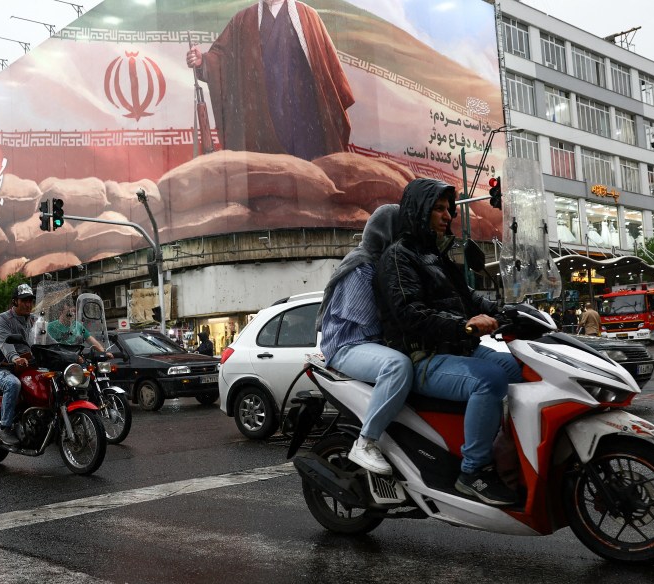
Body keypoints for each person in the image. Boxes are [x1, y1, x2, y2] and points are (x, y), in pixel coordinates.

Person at [375, 179, 524, 506]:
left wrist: (509, 311)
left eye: (449, 209)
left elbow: (468, 298)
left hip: (459, 350)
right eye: (439, 209)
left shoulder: (437, 254)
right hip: (423, 358)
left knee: (520, 370)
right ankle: (473, 472)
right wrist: (464, 326)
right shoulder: (398, 258)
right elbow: (410, 312)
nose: (447, 216)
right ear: (419, 211)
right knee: (490, 380)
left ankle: (514, 450)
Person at [185, 0, 354, 161]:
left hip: (304, 117)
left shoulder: (308, 16)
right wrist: (202, 62)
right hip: (261, 117)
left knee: (309, 169)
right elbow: (221, 58)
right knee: (268, 170)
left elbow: (328, 68)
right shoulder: (243, 20)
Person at [318, 203, 412, 475]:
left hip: (366, 342)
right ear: (387, 232)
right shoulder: (362, 266)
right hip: (348, 345)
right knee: (397, 366)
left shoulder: (383, 263)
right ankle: (366, 441)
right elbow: (369, 321)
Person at [0, 284, 38, 446]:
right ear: (15, 301)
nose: (28, 304)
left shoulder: (35, 320)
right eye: (24, 301)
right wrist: (15, 357)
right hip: (3, 367)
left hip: (28, 366)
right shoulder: (4, 318)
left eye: (30, 301)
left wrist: (68, 353)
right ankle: (5, 428)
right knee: (13, 384)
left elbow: (47, 339)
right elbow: (5, 342)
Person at [46, 306, 111, 357]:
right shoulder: (51, 326)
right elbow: (52, 347)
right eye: (69, 312)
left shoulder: (77, 326)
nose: (72, 314)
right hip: (61, 359)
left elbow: (90, 339)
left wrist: (103, 353)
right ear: (61, 313)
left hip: (77, 357)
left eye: (74, 312)